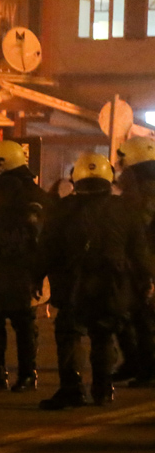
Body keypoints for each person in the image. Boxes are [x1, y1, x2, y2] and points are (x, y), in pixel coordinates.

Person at [35, 152, 153, 410]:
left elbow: (47, 249)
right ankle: (102, 388)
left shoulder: (63, 209)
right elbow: (139, 252)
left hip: (72, 284)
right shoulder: (126, 210)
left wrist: (36, 278)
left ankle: (71, 389)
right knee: (103, 335)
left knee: (69, 334)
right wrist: (146, 280)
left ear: (76, 178)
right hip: (112, 283)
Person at [0, 140, 52, 392]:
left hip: (19, 267)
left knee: (22, 322)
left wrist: (37, 272)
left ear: (3, 165)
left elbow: (38, 235)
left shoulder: (29, 195)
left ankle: (27, 374)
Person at [112, 136, 155, 387]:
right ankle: (136, 362)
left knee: (142, 315)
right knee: (129, 313)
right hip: (138, 257)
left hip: (143, 259)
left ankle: (147, 367)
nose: (119, 164)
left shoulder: (145, 190)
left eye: (123, 159)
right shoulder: (138, 187)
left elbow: (140, 224)